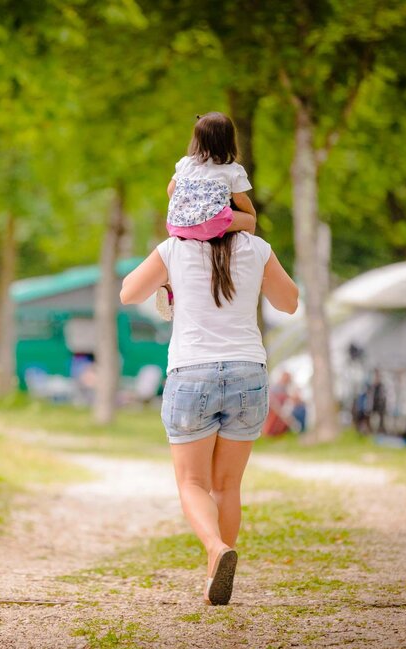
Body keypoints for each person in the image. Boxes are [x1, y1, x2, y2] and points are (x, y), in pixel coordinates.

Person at [120, 225, 299, 606]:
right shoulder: (256, 248)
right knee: (227, 486)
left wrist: (166, 279)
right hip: (247, 372)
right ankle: (212, 577)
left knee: (192, 483)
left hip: (192, 374)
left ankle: (217, 548)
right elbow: (289, 302)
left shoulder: (174, 249)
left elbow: (128, 292)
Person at [156, 112, 258, 320]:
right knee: (249, 221)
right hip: (211, 223)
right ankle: (242, 260)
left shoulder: (185, 163)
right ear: (229, 141)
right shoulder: (232, 170)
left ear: (197, 140)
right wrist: (251, 213)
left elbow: (170, 190)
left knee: (179, 249)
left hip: (178, 224)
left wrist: (187, 211)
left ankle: (170, 287)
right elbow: (240, 200)